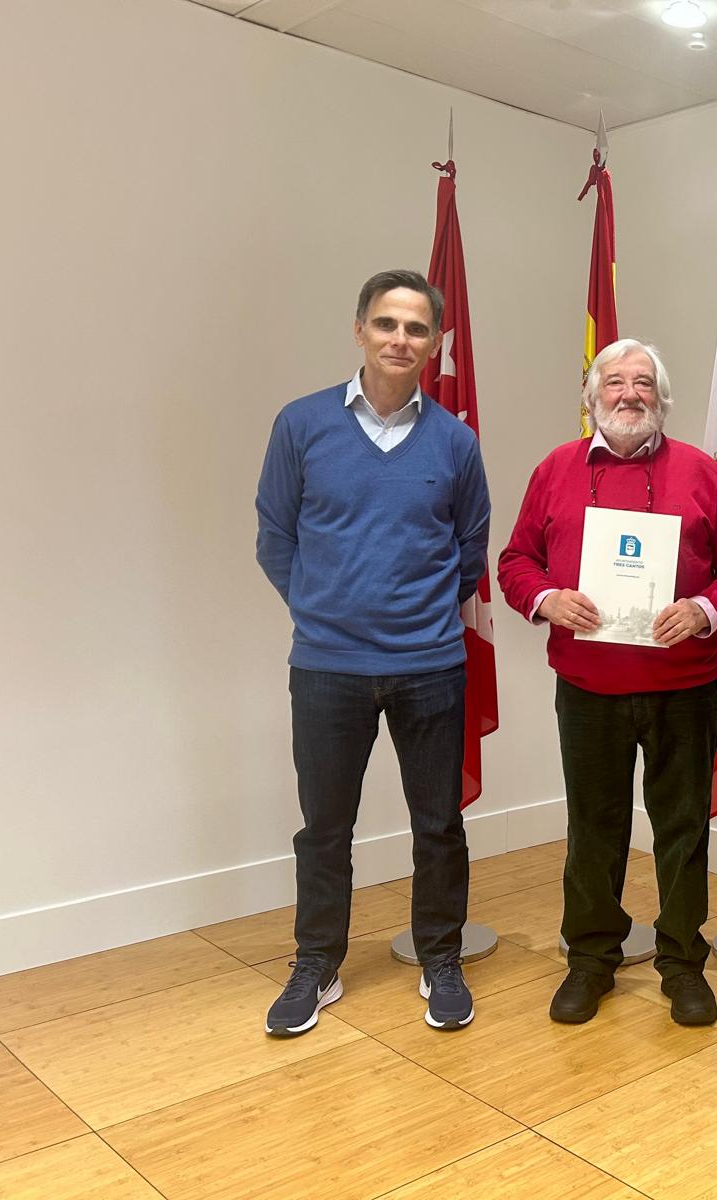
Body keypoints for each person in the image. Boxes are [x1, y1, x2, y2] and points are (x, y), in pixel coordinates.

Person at [497, 338, 717, 1026]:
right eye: (614, 382)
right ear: (592, 398)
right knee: (594, 829)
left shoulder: (701, 472)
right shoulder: (555, 469)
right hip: (588, 688)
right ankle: (590, 961)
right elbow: (516, 560)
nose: (629, 394)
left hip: (683, 685)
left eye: (643, 383)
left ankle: (682, 963)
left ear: (661, 399)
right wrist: (547, 599)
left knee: (682, 829)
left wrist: (702, 610)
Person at [255, 269, 489, 1036]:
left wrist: (415, 614)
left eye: (416, 328)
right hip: (328, 667)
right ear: (360, 330)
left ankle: (441, 959)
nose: (400, 339)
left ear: (435, 343)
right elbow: (276, 536)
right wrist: (324, 609)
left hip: (430, 665)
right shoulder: (301, 425)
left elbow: (470, 550)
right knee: (324, 829)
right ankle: (315, 964)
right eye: (386, 324)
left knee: (438, 825)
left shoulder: (455, 441)